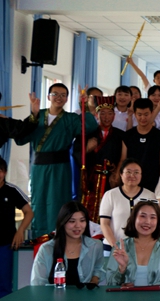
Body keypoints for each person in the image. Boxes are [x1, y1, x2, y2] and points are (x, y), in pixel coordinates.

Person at [16, 84, 98, 234]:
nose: (59, 98)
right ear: (48, 97)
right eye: (55, 94)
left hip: (61, 167)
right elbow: (20, 138)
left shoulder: (70, 118)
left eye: (63, 95)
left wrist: (84, 105)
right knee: (39, 202)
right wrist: (33, 115)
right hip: (39, 167)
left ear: (67, 99)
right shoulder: (38, 115)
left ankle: (58, 237)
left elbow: (89, 126)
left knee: (58, 202)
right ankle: (39, 238)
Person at [30, 202, 104, 286]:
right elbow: (37, 283)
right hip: (53, 294)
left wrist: (94, 281)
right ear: (62, 222)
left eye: (82, 220)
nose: (78, 225)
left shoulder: (95, 246)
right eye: (72, 221)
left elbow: (98, 269)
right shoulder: (46, 249)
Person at [104, 200, 160, 286]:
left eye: (153, 217)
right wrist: (121, 269)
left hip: (155, 295)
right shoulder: (120, 247)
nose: (147, 222)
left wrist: (144, 293)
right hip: (125, 295)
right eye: (143, 216)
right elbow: (110, 283)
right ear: (134, 218)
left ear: (158, 222)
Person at [75, 96, 125, 213]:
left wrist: (117, 173)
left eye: (109, 113)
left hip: (111, 179)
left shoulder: (121, 135)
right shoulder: (87, 134)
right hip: (90, 179)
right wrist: (87, 149)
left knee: (110, 209)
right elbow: (76, 154)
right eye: (102, 113)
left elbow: (124, 157)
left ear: (114, 115)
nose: (106, 117)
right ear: (96, 115)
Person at [99, 159, 156, 250]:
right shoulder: (110, 195)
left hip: (141, 249)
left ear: (141, 175)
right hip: (112, 247)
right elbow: (104, 224)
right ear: (121, 174)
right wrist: (116, 247)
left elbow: (154, 224)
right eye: (128, 172)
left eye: (136, 172)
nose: (132, 175)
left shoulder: (150, 196)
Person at [0, 156, 33, 296]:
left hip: (6, 244)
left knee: (4, 284)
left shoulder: (11, 190)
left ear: (5, 172)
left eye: (0, 170)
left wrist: (20, 231)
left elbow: (29, 212)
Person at [120, 98, 160, 192]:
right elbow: (123, 160)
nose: (143, 118)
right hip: (131, 182)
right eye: (139, 115)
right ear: (135, 114)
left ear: (152, 113)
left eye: (146, 114)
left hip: (153, 183)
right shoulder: (128, 135)